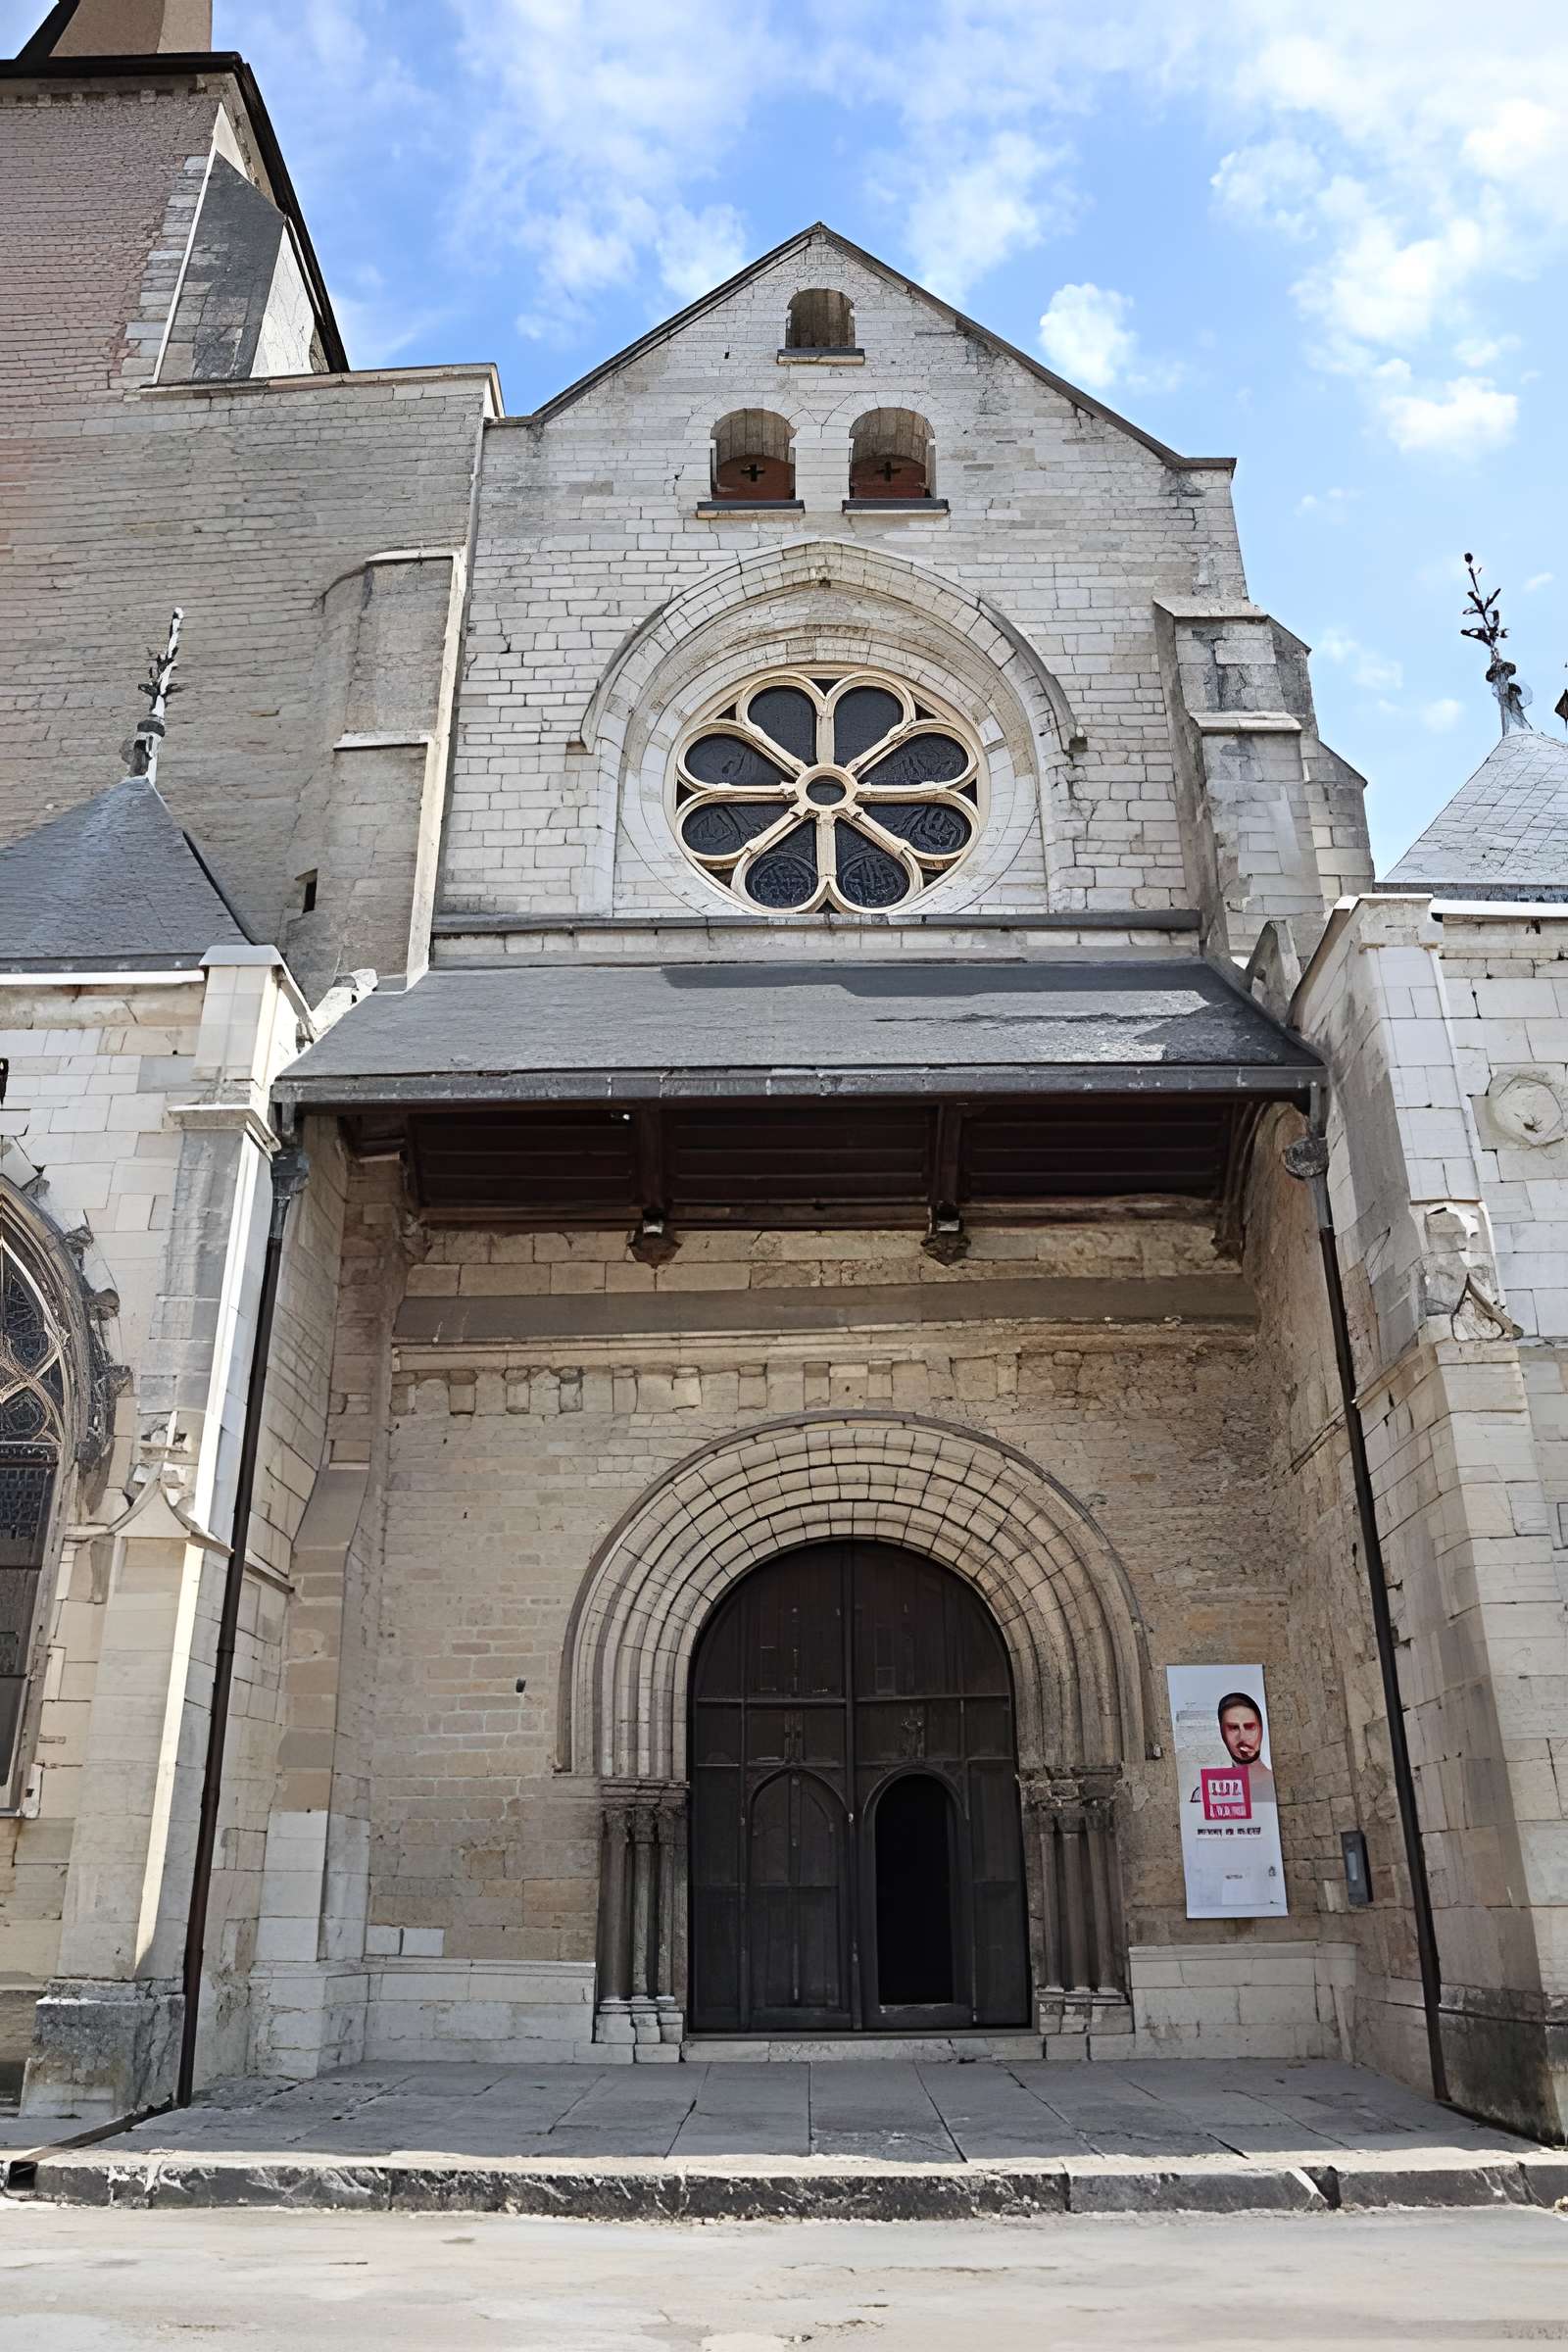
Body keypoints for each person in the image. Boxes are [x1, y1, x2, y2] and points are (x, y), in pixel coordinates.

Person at [1214, 1691, 1275, 1804]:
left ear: (1261, 1730)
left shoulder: (1278, 1783)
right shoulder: (1212, 1791)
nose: (1242, 1737)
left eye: (1250, 1727)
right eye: (1233, 1728)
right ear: (1222, 1734)